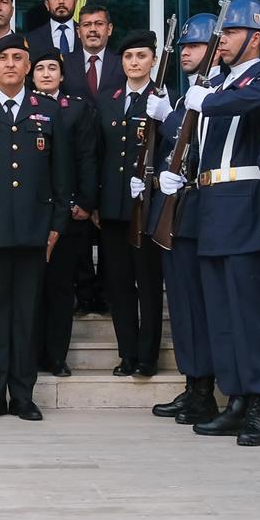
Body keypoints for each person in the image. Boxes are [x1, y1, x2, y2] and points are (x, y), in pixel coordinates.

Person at [185, 0, 260, 447]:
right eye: (220, 34)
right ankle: (236, 401)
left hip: (245, 206)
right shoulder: (217, 89)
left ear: (255, 37)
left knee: (250, 314)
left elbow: (255, 101)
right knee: (221, 314)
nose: (220, 41)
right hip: (211, 207)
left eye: (228, 33)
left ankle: (259, 405)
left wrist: (206, 101)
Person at [0, 36, 70, 422]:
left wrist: (56, 226)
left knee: (27, 315)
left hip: (34, 230)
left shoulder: (48, 111)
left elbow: (61, 177)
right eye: (2, 58)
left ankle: (23, 395)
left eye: (17, 58)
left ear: (27, 67)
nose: (9, 64)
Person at [150, 14, 226, 426]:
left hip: (203, 212)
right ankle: (194, 385)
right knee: (182, 306)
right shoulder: (186, 96)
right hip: (179, 213)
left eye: (193, 47)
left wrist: (168, 120)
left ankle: (209, 389)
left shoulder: (219, 90)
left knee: (202, 305)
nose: (185, 54)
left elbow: (197, 137)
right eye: (183, 47)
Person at [96, 29, 175, 378]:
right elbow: (99, 152)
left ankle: (147, 357)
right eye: (128, 57)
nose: (134, 62)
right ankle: (126, 353)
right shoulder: (108, 98)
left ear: (153, 60)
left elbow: (173, 150)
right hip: (113, 207)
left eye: (141, 56)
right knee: (119, 284)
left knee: (147, 284)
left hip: (146, 207)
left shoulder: (162, 100)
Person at [30, 44, 100, 377]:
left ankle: (56, 356)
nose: (46, 74)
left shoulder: (76, 109)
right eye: (40, 68)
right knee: (31, 289)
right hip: (30, 214)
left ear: (62, 74)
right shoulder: (23, 108)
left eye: (52, 69)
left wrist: (85, 202)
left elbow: (88, 157)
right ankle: (30, 354)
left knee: (60, 288)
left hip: (67, 212)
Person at [64, 3, 124, 103]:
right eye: (86, 25)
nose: (92, 29)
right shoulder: (65, 63)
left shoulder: (121, 63)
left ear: (109, 29)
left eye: (99, 24)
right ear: (78, 32)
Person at [38, 0, 85, 68]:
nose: (61, 1)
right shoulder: (32, 39)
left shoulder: (87, 34)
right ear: (47, 5)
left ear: (76, 2)